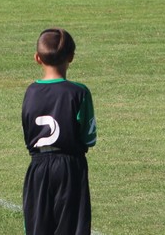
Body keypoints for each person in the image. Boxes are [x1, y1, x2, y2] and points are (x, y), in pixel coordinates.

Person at [22, 28, 97, 235]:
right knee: (72, 227)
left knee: (38, 226)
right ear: (71, 57)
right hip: (70, 167)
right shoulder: (79, 92)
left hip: (38, 166)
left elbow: (27, 130)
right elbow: (89, 137)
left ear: (37, 58)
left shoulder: (31, 91)